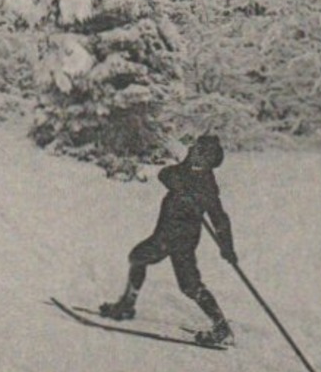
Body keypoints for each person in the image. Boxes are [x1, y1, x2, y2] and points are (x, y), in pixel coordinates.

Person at [98, 135, 236, 346]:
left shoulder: (207, 186)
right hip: (165, 234)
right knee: (143, 260)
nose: (197, 157)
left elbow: (219, 218)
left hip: (179, 238)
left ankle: (221, 327)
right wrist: (179, 186)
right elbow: (165, 174)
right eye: (197, 151)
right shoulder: (184, 170)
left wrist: (227, 247)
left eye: (203, 155)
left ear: (211, 160)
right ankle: (127, 304)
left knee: (181, 280)